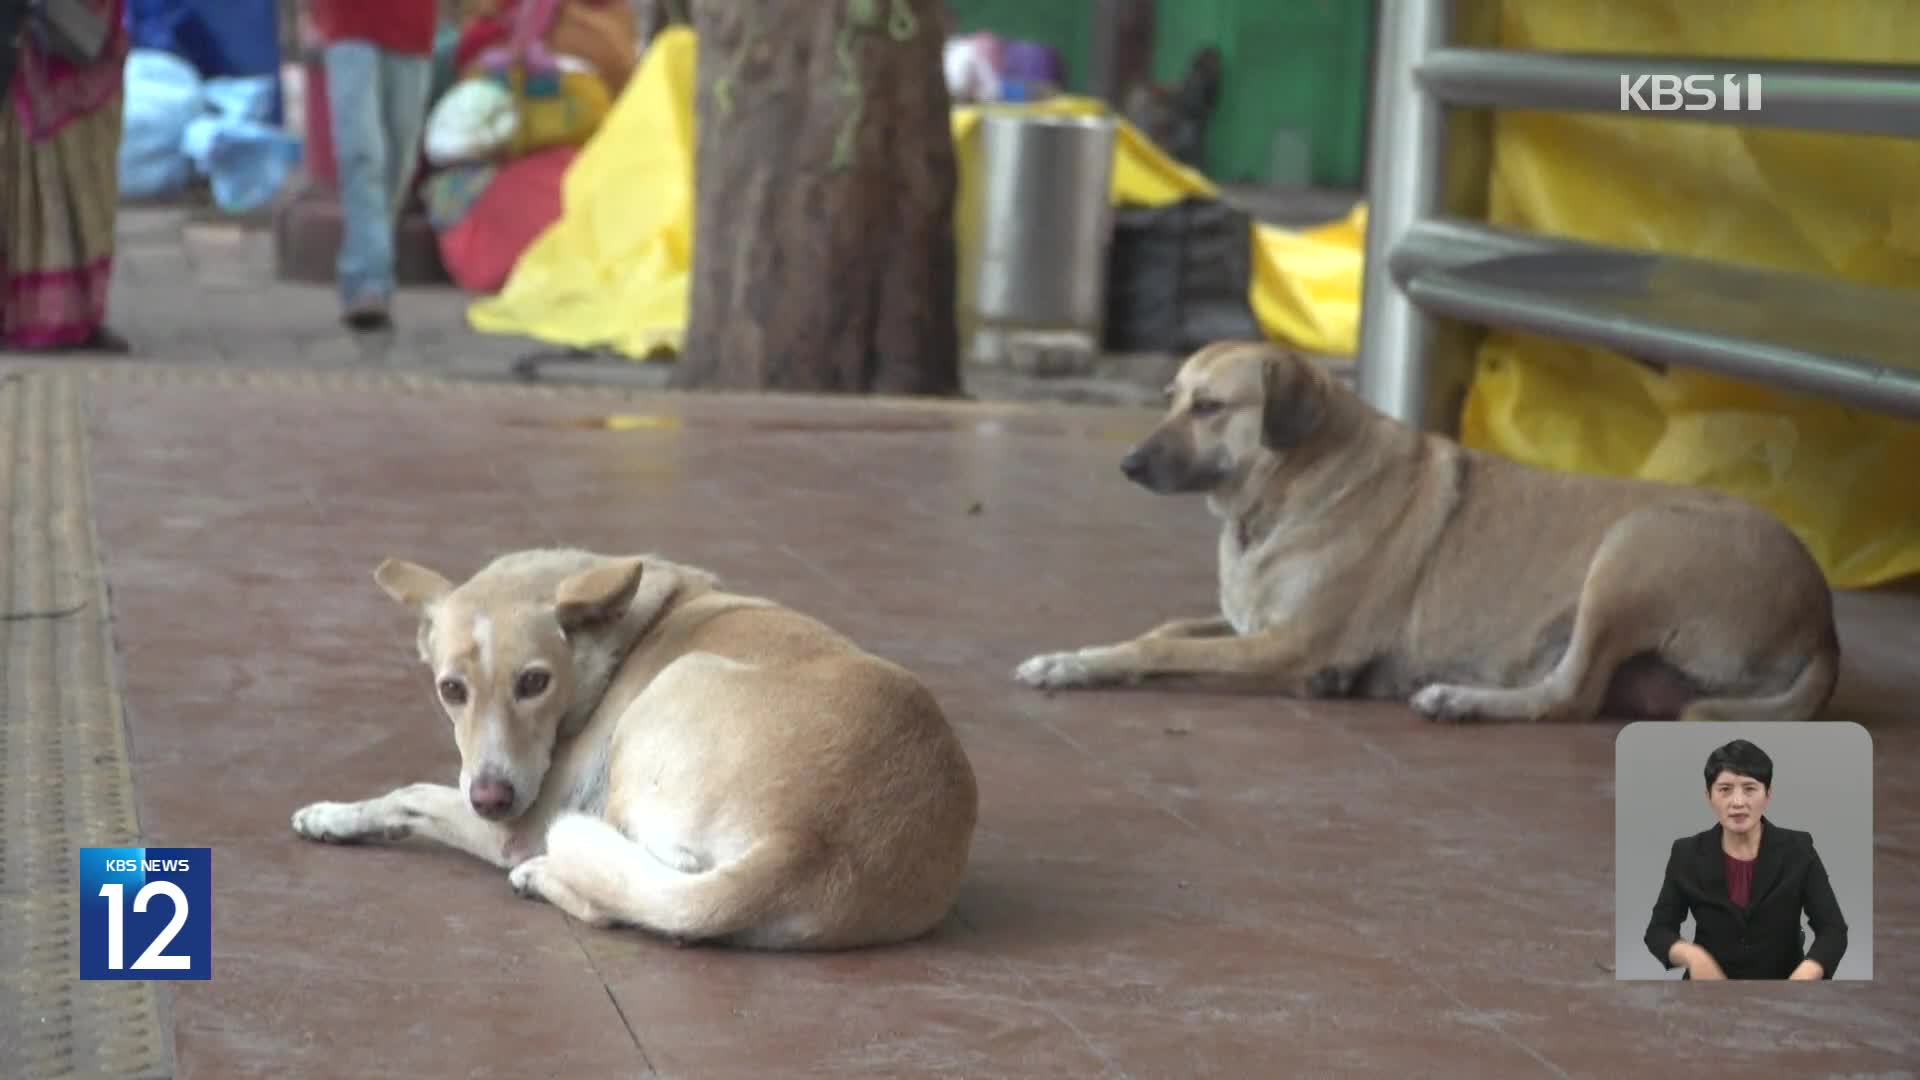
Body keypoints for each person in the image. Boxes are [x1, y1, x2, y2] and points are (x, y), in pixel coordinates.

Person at [1643, 739, 1849, 980]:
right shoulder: (1686, 852)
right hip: (1708, 992)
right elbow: (1658, 930)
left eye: (1750, 789)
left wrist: (1806, 973)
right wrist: (1692, 955)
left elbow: (1833, 930)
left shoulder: (1799, 850)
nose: (1738, 802)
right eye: (1725, 789)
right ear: (1708, 796)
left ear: (1768, 795)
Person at [1, 0, 133, 352]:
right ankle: (36, 314)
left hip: (87, 45)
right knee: (32, 183)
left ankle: (80, 316)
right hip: (29, 53)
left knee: (87, 185)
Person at [307, 0, 439, 330]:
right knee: (362, 153)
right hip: (347, 22)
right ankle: (368, 281)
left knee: (399, 160)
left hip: (412, 25)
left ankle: (368, 264)